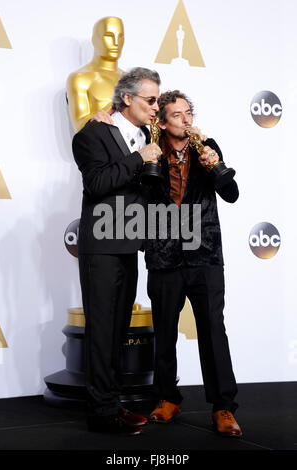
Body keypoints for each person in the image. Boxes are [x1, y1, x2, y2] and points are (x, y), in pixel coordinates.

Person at [145, 90, 242, 437]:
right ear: (161, 121)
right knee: (165, 331)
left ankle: (223, 408)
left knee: (214, 332)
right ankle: (166, 398)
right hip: (164, 256)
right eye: (176, 115)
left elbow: (231, 194)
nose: (186, 120)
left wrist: (214, 165)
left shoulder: (207, 145)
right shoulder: (148, 149)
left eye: (188, 113)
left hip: (205, 256)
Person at [72, 67, 161, 435]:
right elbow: (97, 183)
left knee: (118, 331)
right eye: (150, 100)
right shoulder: (92, 133)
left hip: (129, 245)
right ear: (128, 98)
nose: (155, 107)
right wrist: (140, 158)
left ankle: (112, 404)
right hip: (102, 248)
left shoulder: (145, 133)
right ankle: (101, 412)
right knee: (101, 330)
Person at [67, 17, 125, 132]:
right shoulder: (80, 78)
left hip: (137, 147)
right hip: (99, 146)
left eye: (120, 37)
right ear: (95, 39)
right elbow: (80, 128)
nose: (116, 43)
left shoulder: (131, 79)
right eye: (109, 36)